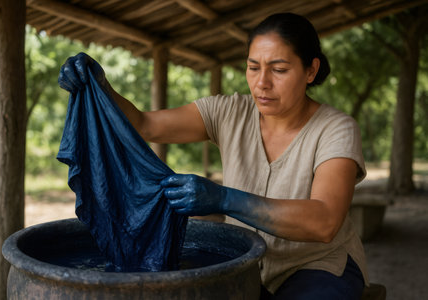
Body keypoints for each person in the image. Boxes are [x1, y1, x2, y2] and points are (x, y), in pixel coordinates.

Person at [59, 12, 368, 300]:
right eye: (253, 67)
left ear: (310, 70)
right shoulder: (227, 112)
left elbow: (324, 222)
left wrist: (223, 199)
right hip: (246, 262)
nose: (262, 83)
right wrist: (101, 87)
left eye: (279, 69)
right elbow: (144, 124)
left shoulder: (336, 129)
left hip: (317, 266)